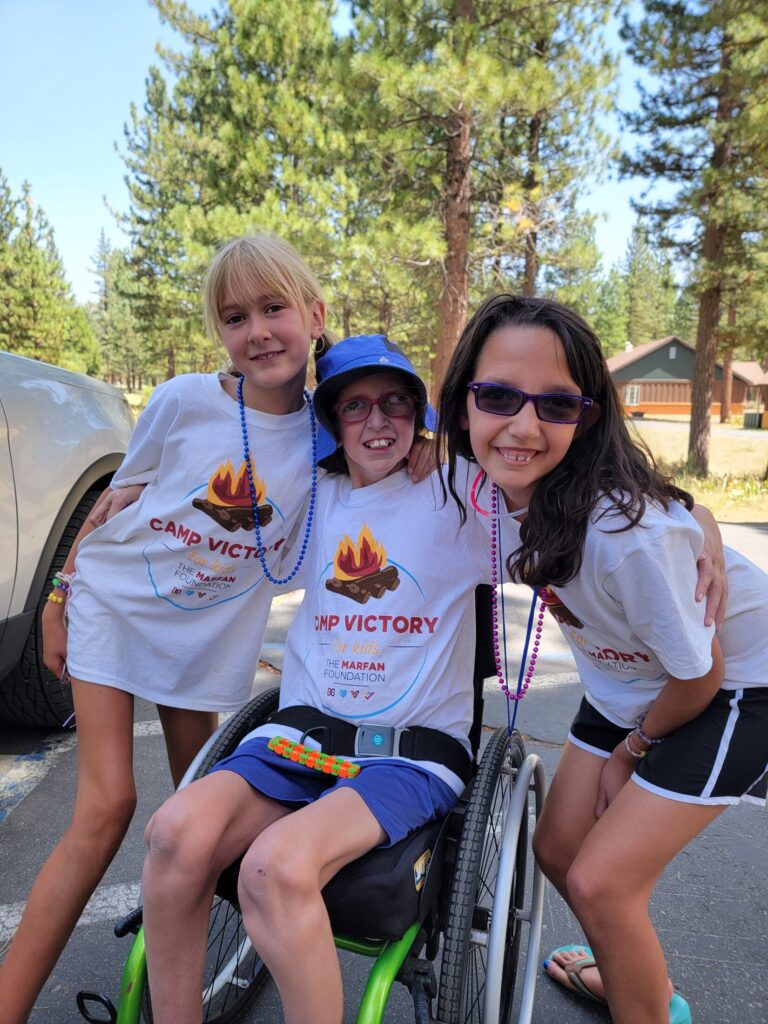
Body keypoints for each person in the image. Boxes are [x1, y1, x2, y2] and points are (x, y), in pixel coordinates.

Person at [0, 234, 338, 1024]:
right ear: (218, 332)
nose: (256, 330)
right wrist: (57, 597)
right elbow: (115, 500)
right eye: (233, 316)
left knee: (205, 809)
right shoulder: (185, 401)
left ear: (316, 315)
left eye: (274, 308)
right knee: (106, 808)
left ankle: (194, 955)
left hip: (207, 639)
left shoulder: (335, 436)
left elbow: (432, 457)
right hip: (113, 608)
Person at [139, 334, 500, 1024]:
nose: (377, 422)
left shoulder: (458, 497)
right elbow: (194, 510)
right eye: (355, 406)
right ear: (331, 419)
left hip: (409, 750)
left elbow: (572, 518)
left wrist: (685, 513)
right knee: (174, 831)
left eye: (396, 403)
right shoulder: (311, 493)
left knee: (273, 866)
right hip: (300, 732)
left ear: (419, 413)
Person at [437, 293, 768, 1024]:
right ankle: (637, 987)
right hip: (631, 675)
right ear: (461, 404)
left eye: (556, 405)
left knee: (601, 883)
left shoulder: (626, 534)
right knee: (559, 848)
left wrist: (633, 751)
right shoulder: (482, 484)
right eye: (497, 396)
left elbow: (701, 673)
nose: (523, 426)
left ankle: (648, 1011)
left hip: (735, 689)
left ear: (586, 420)